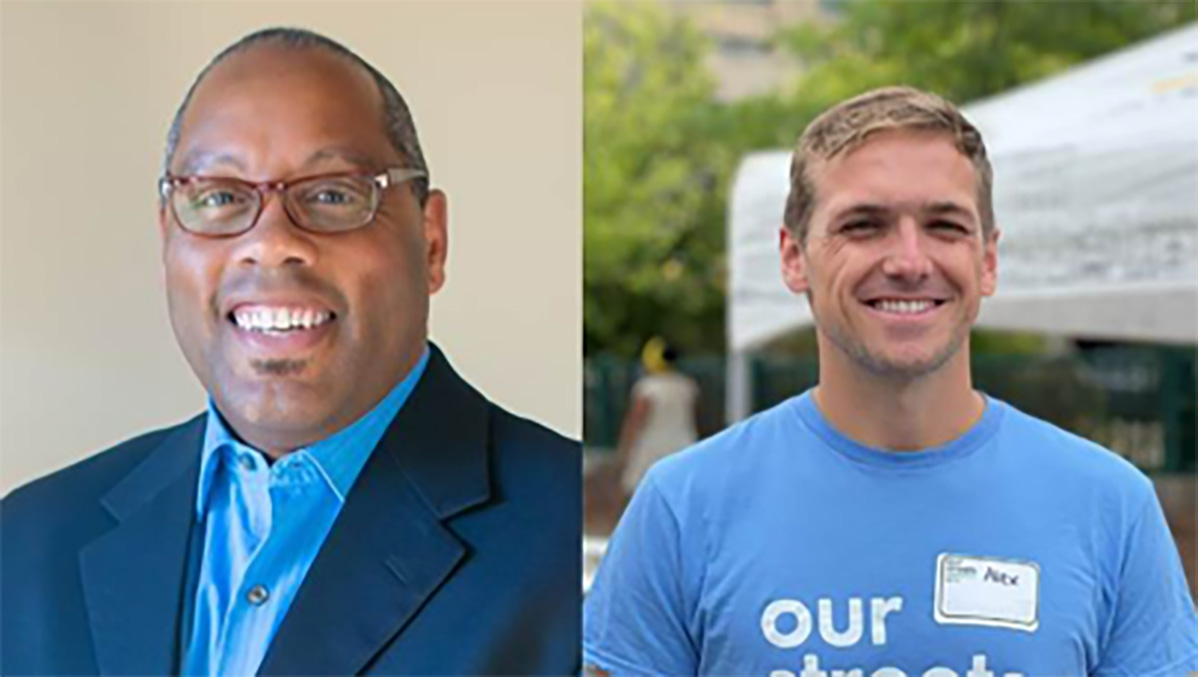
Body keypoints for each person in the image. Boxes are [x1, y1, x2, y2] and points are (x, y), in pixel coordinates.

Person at [1, 28, 580, 676]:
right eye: (220, 197)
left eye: (332, 193)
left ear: (432, 240)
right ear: (168, 239)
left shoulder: (577, 554)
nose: (272, 242)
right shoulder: (27, 544)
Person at [584, 87, 1197, 676]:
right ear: (794, 257)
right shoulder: (683, 507)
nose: (908, 261)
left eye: (945, 226)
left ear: (987, 260)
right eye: (863, 225)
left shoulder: (1108, 506)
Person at [616, 337, 700, 496]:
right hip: (683, 446)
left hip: (651, 449)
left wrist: (624, 452)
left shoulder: (646, 388)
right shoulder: (688, 385)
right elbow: (695, 419)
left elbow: (635, 422)